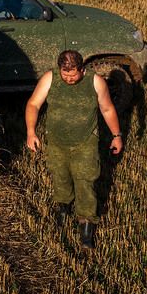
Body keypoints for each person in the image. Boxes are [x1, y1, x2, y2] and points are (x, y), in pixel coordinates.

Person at [25, 50, 123, 250]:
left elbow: (107, 109)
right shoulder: (50, 78)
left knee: (85, 180)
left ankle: (86, 224)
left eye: (73, 75)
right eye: (65, 74)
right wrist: (30, 132)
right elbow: (33, 104)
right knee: (60, 176)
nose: (69, 79)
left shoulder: (95, 82)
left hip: (85, 142)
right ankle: (63, 207)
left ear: (82, 69)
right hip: (57, 141)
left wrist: (116, 135)